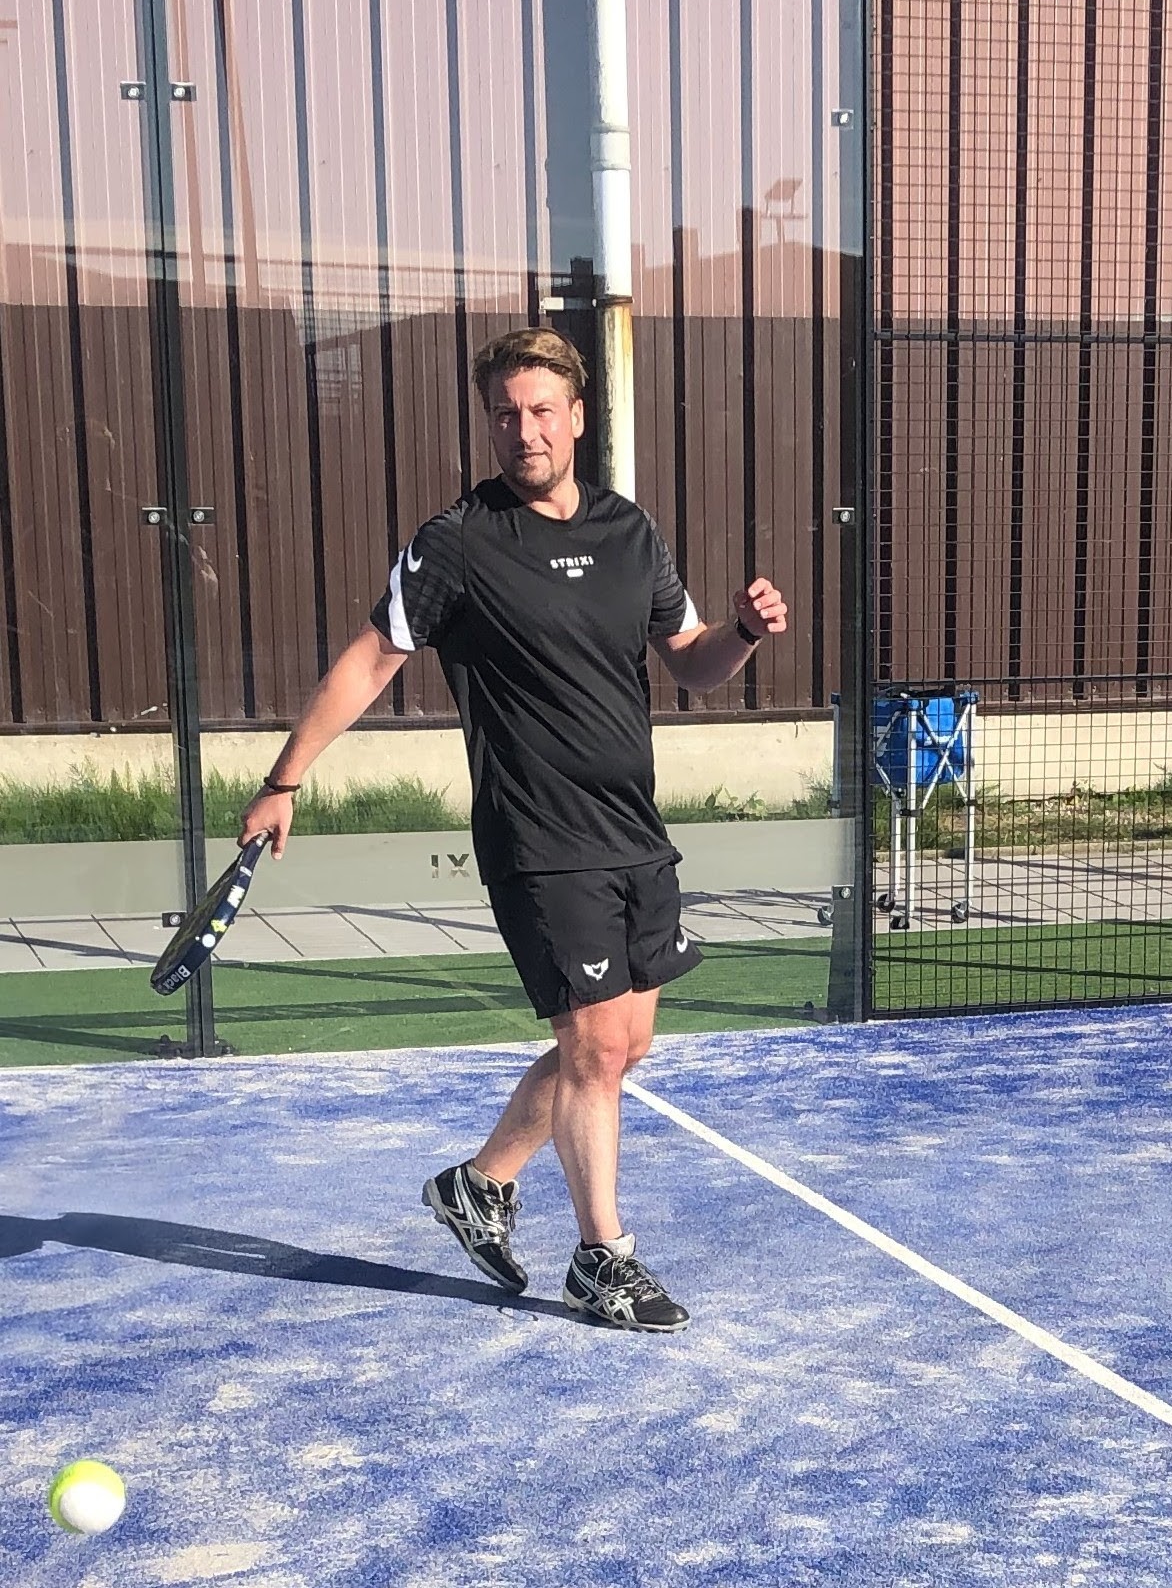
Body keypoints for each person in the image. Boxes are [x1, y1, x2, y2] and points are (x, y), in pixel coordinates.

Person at [238, 326, 787, 1333]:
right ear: (487, 424)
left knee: (622, 1046)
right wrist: (285, 776)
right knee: (590, 1045)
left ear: (576, 417)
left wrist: (743, 633)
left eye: (540, 410)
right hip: (538, 837)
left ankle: (479, 1182)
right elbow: (370, 659)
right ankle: (601, 1259)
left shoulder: (630, 531)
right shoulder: (457, 542)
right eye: (504, 413)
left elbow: (691, 661)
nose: (523, 430)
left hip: (633, 830)